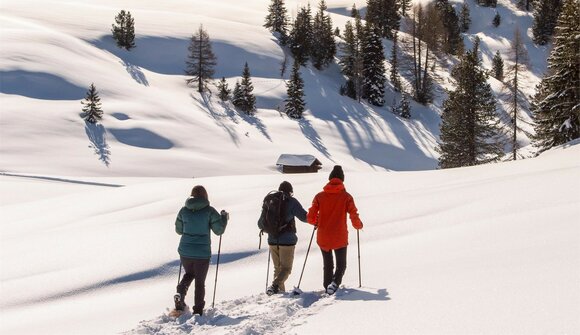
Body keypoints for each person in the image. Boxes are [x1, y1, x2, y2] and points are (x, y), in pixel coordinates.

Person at [307, 165, 363, 295]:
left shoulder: (319, 196)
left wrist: (317, 222)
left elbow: (310, 217)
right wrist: (358, 225)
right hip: (339, 236)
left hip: (323, 235)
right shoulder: (346, 197)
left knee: (328, 264)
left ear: (330, 179)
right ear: (342, 180)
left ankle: (328, 286)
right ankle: (334, 284)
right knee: (341, 265)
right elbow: (353, 214)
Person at [174, 185, 229, 315]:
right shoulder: (209, 211)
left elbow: (178, 230)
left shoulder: (184, 210)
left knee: (189, 274)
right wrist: (224, 219)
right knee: (200, 282)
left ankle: (180, 294)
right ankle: (198, 311)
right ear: (205, 195)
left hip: (185, 251)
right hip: (202, 254)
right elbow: (219, 230)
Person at [258, 181, 308, 295]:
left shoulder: (270, 201)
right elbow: (304, 217)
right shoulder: (291, 201)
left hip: (272, 240)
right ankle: (275, 286)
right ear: (290, 192)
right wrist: (318, 220)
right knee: (286, 269)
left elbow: (260, 223)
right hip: (287, 241)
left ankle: (278, 293)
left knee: (278, 269)